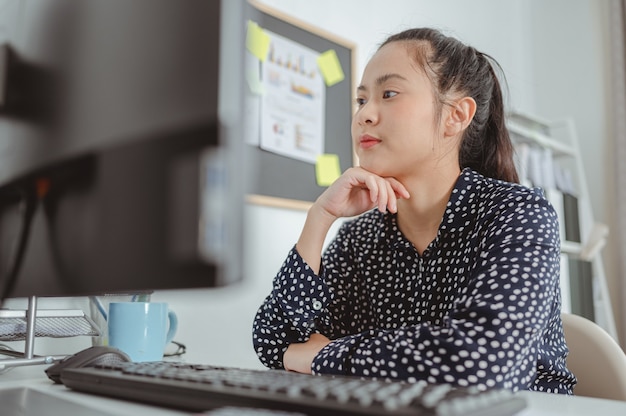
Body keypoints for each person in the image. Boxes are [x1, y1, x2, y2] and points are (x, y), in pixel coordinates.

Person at [252, 27, 576, 394]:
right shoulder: (361, 236)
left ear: (456, 115)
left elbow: (480, 366)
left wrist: (324, 356)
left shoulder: (519, 215)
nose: (364, 116)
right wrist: (319, 219)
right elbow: (275, 343)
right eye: (361, 100)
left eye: (389, 94)